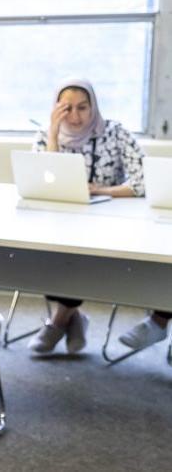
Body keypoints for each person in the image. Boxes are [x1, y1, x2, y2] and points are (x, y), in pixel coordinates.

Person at [28, 78, 148, 355]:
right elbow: (41, 179)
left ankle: (58, 321)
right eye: (66, 108)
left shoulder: (115, 132)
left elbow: (144, 181)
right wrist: (54, 134)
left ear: (93, 106)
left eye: (82, 108)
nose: (75, 116)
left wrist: (99, 190)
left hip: (107, 224)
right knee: (43, 256)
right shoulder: (48, 134)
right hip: (59, 221)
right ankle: (75, 319)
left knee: (76, 259)